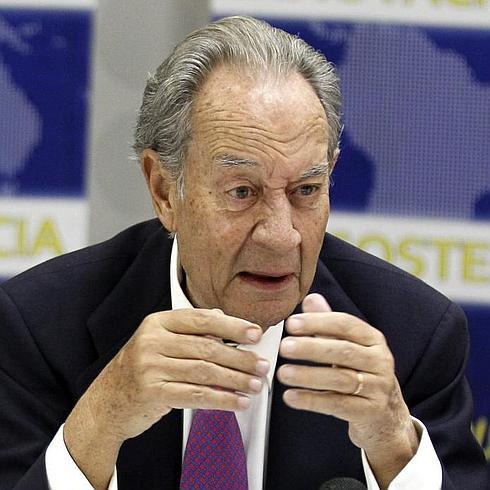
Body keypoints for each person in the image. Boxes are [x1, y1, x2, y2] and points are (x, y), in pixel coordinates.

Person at [0, 15, 487, 490]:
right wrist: (99, 422)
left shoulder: (413, 335)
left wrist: (394, 442)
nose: (281, 236)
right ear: (165, 190)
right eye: (242, 192)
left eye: (305, 190)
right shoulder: (41, 327)